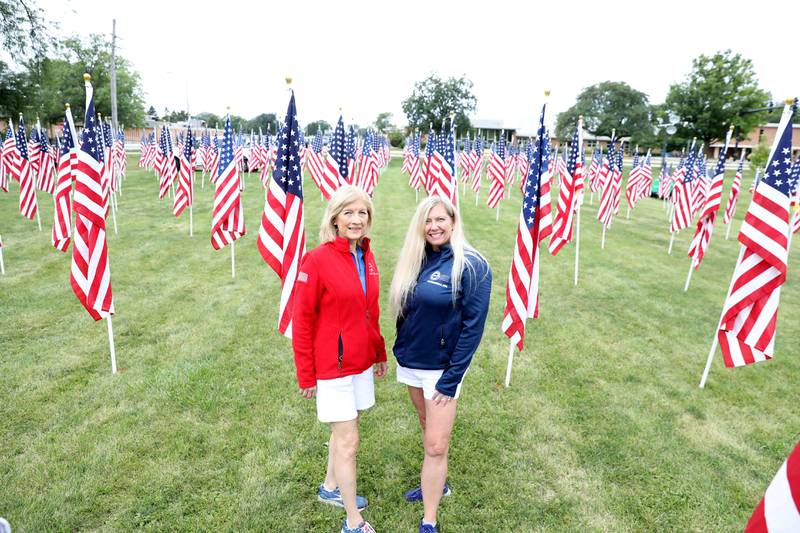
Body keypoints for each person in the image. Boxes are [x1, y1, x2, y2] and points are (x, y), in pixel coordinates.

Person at [389, 196, 492, 533]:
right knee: (426, 425)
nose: (433, 226)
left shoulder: (473, 265)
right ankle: (436, 481)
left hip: (442, 370)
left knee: (436, 444)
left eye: (440, 220)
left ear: (453, 221)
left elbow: (472, 329)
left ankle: (429, 519)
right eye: (427, 221)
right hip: (412, 362)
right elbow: (408, 310)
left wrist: (452, 378)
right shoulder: (416, 259)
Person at [292, 185, 388, 533]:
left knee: (348, 427)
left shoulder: (367, 255)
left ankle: (329, 488)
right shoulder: (316, 260)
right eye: (348, 212)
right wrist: (307, 375)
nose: (356, 219)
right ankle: (353, 522)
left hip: (361, 362)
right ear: (334, 218)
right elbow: (301, 320)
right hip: (332, 367)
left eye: (362, 213)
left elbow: (370, 311)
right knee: (348, 441)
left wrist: (378, 351)